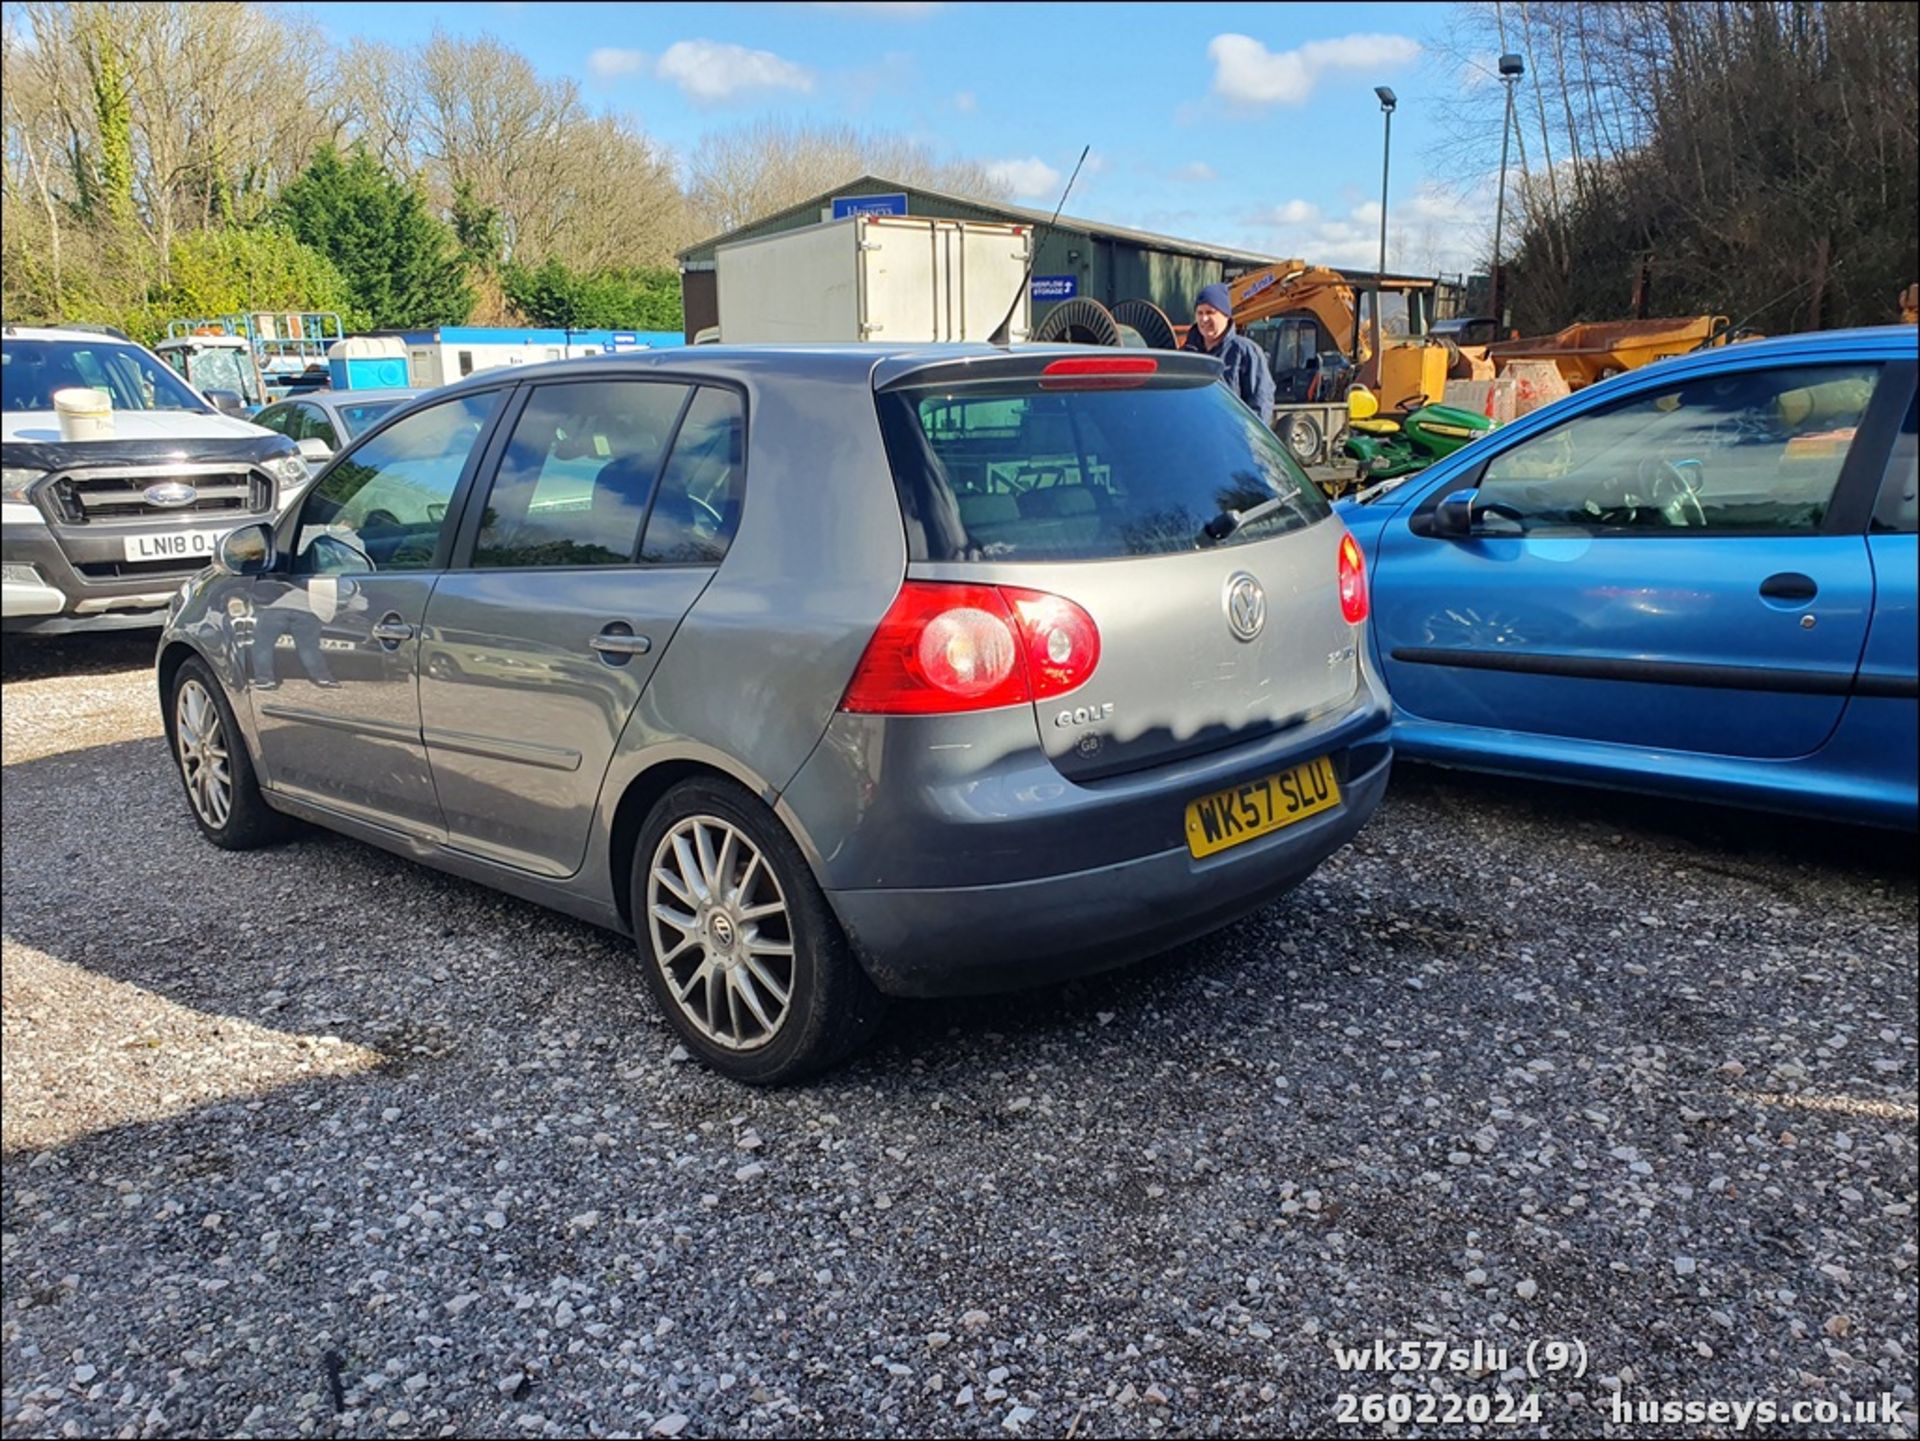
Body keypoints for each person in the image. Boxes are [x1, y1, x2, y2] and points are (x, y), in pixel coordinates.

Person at [1182, 282, 1275, 426]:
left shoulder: (1245, 352)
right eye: (1200, 313)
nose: (1204, 319)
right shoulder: (1186, 354)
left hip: (1230, 441)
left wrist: (1246, 439)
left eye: (1210, 312)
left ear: (1226, 315)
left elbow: (1260, 404)